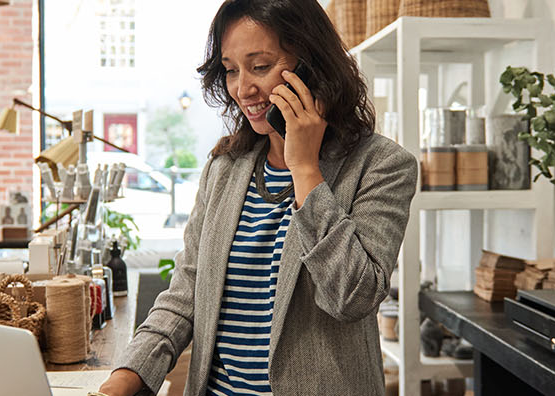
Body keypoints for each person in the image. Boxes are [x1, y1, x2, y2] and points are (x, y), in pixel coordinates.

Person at [95, 0, 417, 395]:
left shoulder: (382, 166)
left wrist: (305, 170)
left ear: (311, 66)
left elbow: (353, 297)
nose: (242, 88)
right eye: (231, 70)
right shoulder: (225, 168)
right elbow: (187, 291)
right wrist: (126, 376)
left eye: (260, 66)